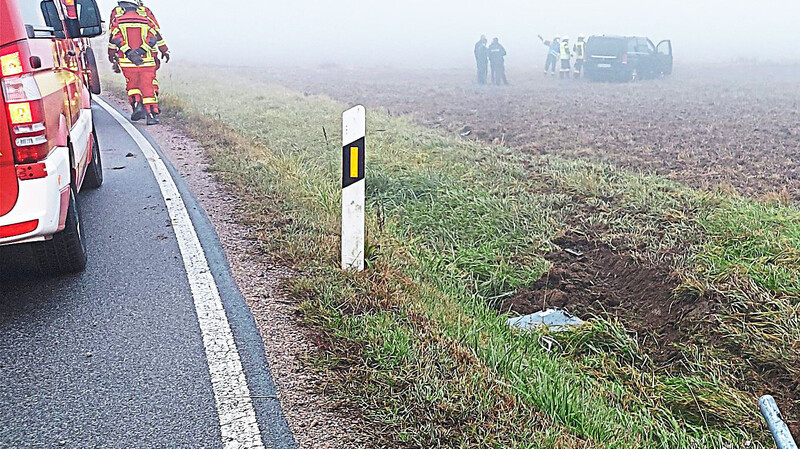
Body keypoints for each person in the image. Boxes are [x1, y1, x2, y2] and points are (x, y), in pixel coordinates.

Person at [108, 1, 169, 125]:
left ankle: (136, 104)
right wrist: (163, 50)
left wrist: (118, 54)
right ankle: (151, 114)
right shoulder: (146, 16)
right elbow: (154, 36)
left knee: (132, 85)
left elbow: (114, 38)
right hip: (147, 60)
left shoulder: (117, 16)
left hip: (127, 61)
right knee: (149, 87)